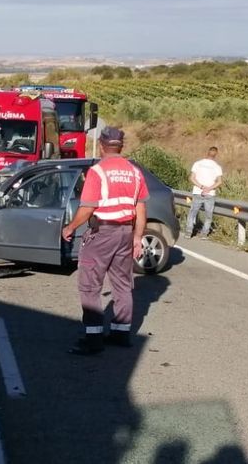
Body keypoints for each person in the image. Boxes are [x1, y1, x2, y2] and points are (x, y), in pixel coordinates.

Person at [61, 127, 149, 355]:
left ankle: (93, 339)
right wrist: (138, 238)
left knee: (90, 285)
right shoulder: (134, 172)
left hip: (103, 233)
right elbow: (141, 208)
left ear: (101, 145)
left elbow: (87, 208)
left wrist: (70, 227)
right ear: (121, 145)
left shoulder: (97, 172)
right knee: (122, 285)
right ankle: (121, 334)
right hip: (125, 232)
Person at [185, 147, 223, 239]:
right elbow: (219, 182)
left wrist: (201, 187)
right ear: (216, 154)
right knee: (208, 215)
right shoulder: (217, 167)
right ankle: (204, 234)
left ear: (207, 153)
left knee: (192, 213)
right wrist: (209, 188)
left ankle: (188, 232)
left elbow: (191, 178)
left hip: (198, 192)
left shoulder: (198, 164)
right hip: (210, 194)